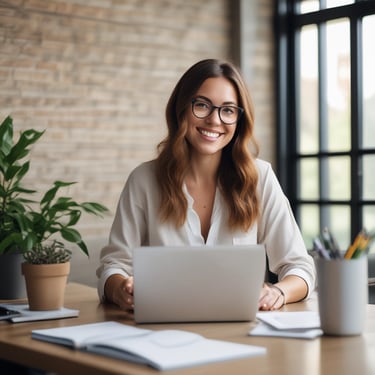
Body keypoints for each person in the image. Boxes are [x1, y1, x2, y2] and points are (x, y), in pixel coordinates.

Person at [96, 58, 316, 312]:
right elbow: (113, 266)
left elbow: (300, 267)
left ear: (239, 119)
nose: (214, 120)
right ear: (181, 109)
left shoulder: (260, 177)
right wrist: (121, 288)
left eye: (228, 110)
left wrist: (278, 291)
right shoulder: (144, 180)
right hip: (164, 334)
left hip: (243, 337)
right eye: (202, 105)